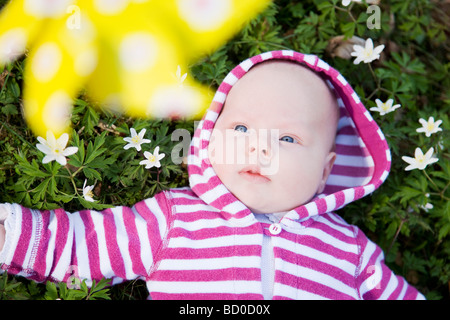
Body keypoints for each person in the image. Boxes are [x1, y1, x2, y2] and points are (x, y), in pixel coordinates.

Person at [0, 50, 424, 300]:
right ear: (209, 136)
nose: (260, 148)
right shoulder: (175, 220)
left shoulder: (350, 250)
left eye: (289, 139)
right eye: (241, 129)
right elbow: (85, 244)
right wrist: (11, 234)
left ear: (325, 171)